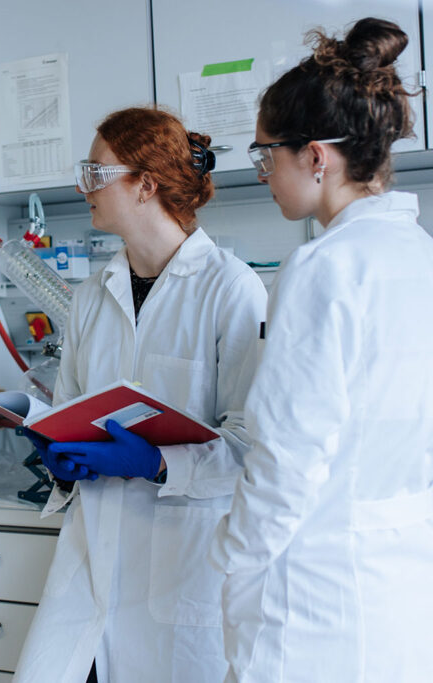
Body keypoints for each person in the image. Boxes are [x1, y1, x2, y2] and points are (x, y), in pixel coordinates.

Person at [210, 17, 433, 683]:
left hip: (309, 599)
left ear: (315, 155)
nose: (261, 174)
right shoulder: (420, 257)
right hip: (400, 593)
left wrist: (232, 556)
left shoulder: (322, 266)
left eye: (263, 155)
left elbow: (287, 457)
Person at [12, 108, 267, 683]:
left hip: (181, 567)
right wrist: (60, 453)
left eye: (97, 173)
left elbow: (254, 448)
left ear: (145, 184)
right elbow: (72, 406)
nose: (84, 188)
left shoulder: (231, 288)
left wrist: (155, 463)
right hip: (91, 559)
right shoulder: (90, 296)